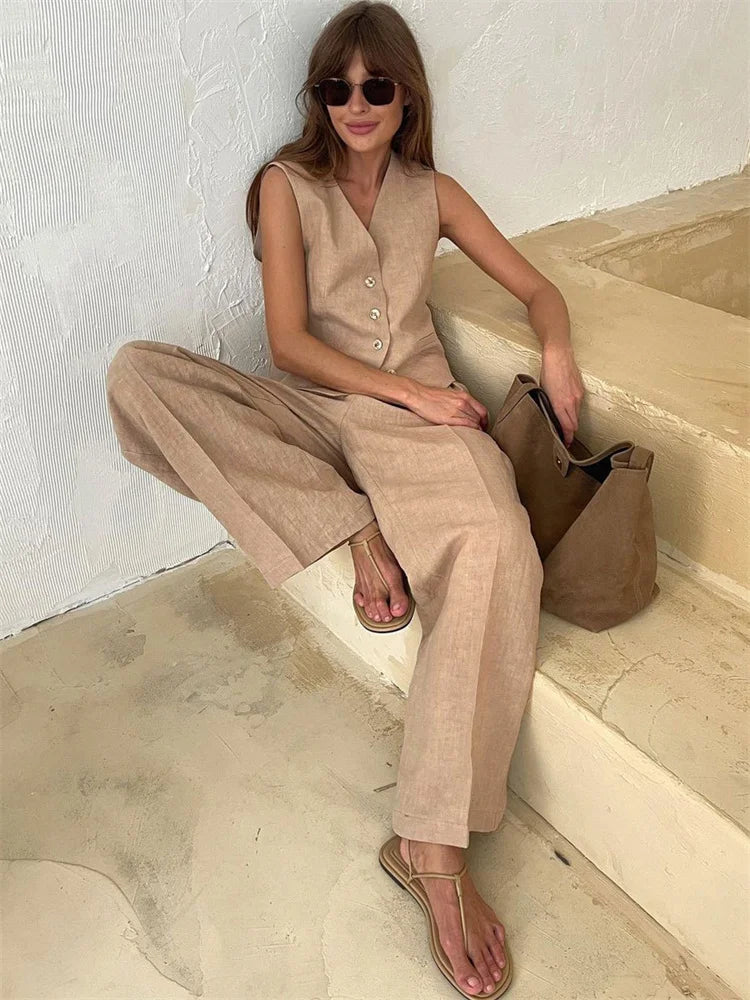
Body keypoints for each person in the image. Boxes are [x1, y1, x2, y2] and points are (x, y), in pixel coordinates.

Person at [106, 2, 585, 996]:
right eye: (337, 86)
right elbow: (287, 345)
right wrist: (411, 391)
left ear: (407, 95)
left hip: (420, 438)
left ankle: (430, 849)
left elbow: (539, 290)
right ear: (317, 97)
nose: (356, 103)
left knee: (500, 543)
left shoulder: (434, 192)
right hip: (323, 414)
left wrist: (557, 349)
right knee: (139, 375)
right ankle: (352, 522)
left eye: (376, 85)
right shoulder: (286, 188)